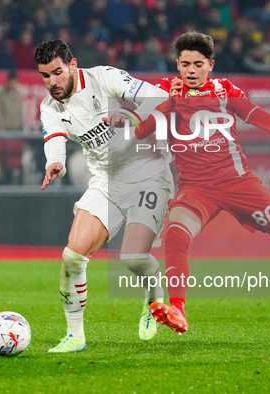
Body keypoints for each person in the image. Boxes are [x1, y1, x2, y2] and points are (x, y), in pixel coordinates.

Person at [134, 31, 270, 334]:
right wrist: (169, 102)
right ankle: (178, 308)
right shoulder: (163, 91)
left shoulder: (224, 90)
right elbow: (140, 131)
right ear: (176, 63)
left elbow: (258, 116)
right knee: (175, 235)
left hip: (238, 182)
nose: (191, 70)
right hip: (196, 189)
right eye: (185, 63)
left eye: (198, 64)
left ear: (210, 65)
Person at [35, 39, 173, 352]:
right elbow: (54, 139)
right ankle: (75, 336)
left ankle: (154, 298)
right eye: (45, 76)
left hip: (149, 173)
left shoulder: (103, 77)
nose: (52, 82)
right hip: (107, 180)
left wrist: (135, 119)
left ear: (72, 65)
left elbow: (160, 96)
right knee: (72, 256)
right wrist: (54, 162)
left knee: (133, 257)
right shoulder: (49, 107)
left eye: (57, 72)